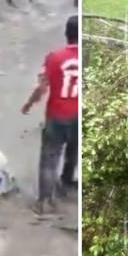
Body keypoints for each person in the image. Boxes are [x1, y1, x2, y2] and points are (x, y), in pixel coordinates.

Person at [22, 16, 79, 214]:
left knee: (49, 158)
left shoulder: (54, 57)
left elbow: (42, 87)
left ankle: (45, 201)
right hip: (79, 116)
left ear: (66, 34)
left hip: (57, 116)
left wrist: (28, 104)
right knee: (73, 152)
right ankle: (67, 183)